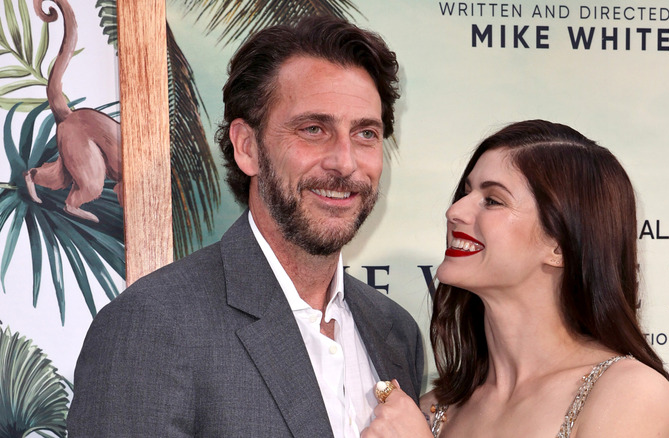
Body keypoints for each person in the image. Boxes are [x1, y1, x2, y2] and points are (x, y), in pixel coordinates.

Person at [67, 16, 424, 437]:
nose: (345, 162)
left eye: (365, 133)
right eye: (313, 129)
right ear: (247, 147)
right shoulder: (153, 327)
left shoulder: (396, 333)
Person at [361, 120, 669, 438]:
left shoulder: (628, 392)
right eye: (466, 192)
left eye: (492, 200)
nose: (455, 211)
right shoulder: (434, 409)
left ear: (559, 246)